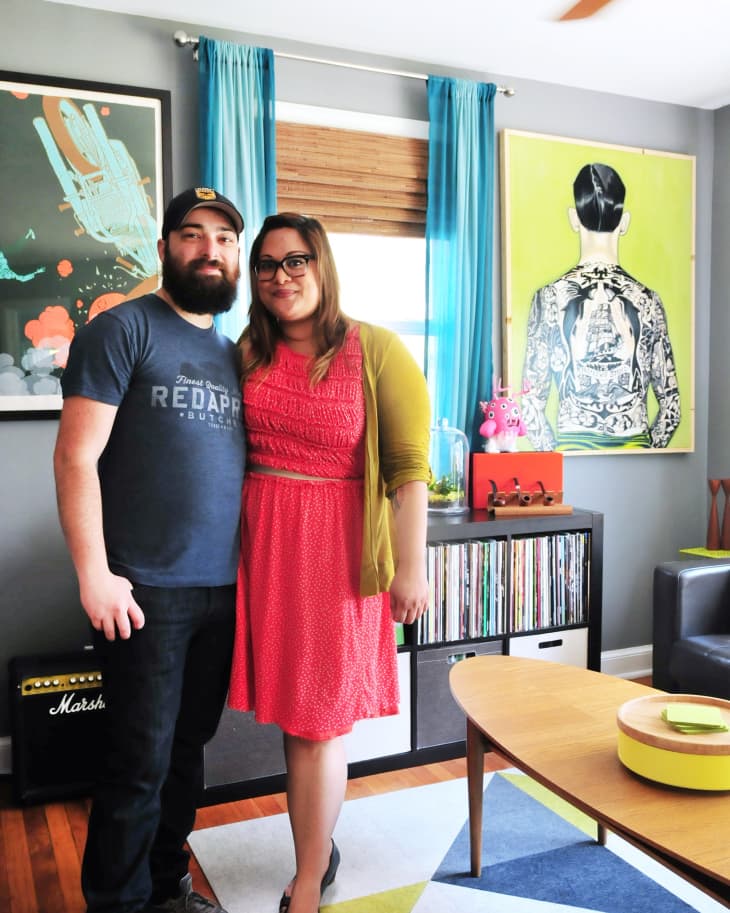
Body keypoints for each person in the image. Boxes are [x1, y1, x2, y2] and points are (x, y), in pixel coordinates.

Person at [228, 213, 431, 913]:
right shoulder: (246, 353)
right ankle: (317, 850)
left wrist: (412, 567)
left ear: (322, 265)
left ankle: (308, 878)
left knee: (321, 722)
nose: (280, 276)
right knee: (297, 721)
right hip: (271, 556)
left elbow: (408, 472)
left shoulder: (374, 349)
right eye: (266, 265)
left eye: (295, 261)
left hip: (339, 556)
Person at [53, 187, 246, 913]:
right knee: (137, 763)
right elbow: (75, 459)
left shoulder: (233, 353)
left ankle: (168, 887)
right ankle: (118, 902)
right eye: (193, 235)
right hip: (143, 592)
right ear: (165, 247)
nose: (210, 249)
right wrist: (94, 575)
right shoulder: (122, 331)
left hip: (221, 592)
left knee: (186, 755)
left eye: (225, 238)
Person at [520, 162, 681, 451]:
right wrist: (646, 454)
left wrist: (556, 458)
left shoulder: (548, 298)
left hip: (570, 447)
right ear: (625, 222)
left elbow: (530, 406)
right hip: (636, 447)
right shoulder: (648, 302)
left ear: (573, 218)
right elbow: (671, 407)